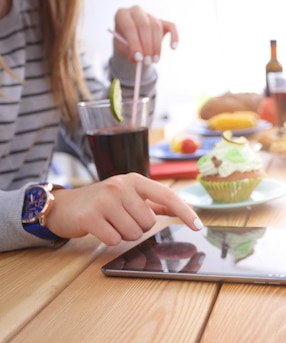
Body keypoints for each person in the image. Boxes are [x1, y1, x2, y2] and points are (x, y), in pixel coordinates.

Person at [0, 0, 203, 253]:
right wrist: (51, 208)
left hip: (38, 256)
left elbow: (105, 139)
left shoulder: (48, 13)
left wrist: (129, 60)